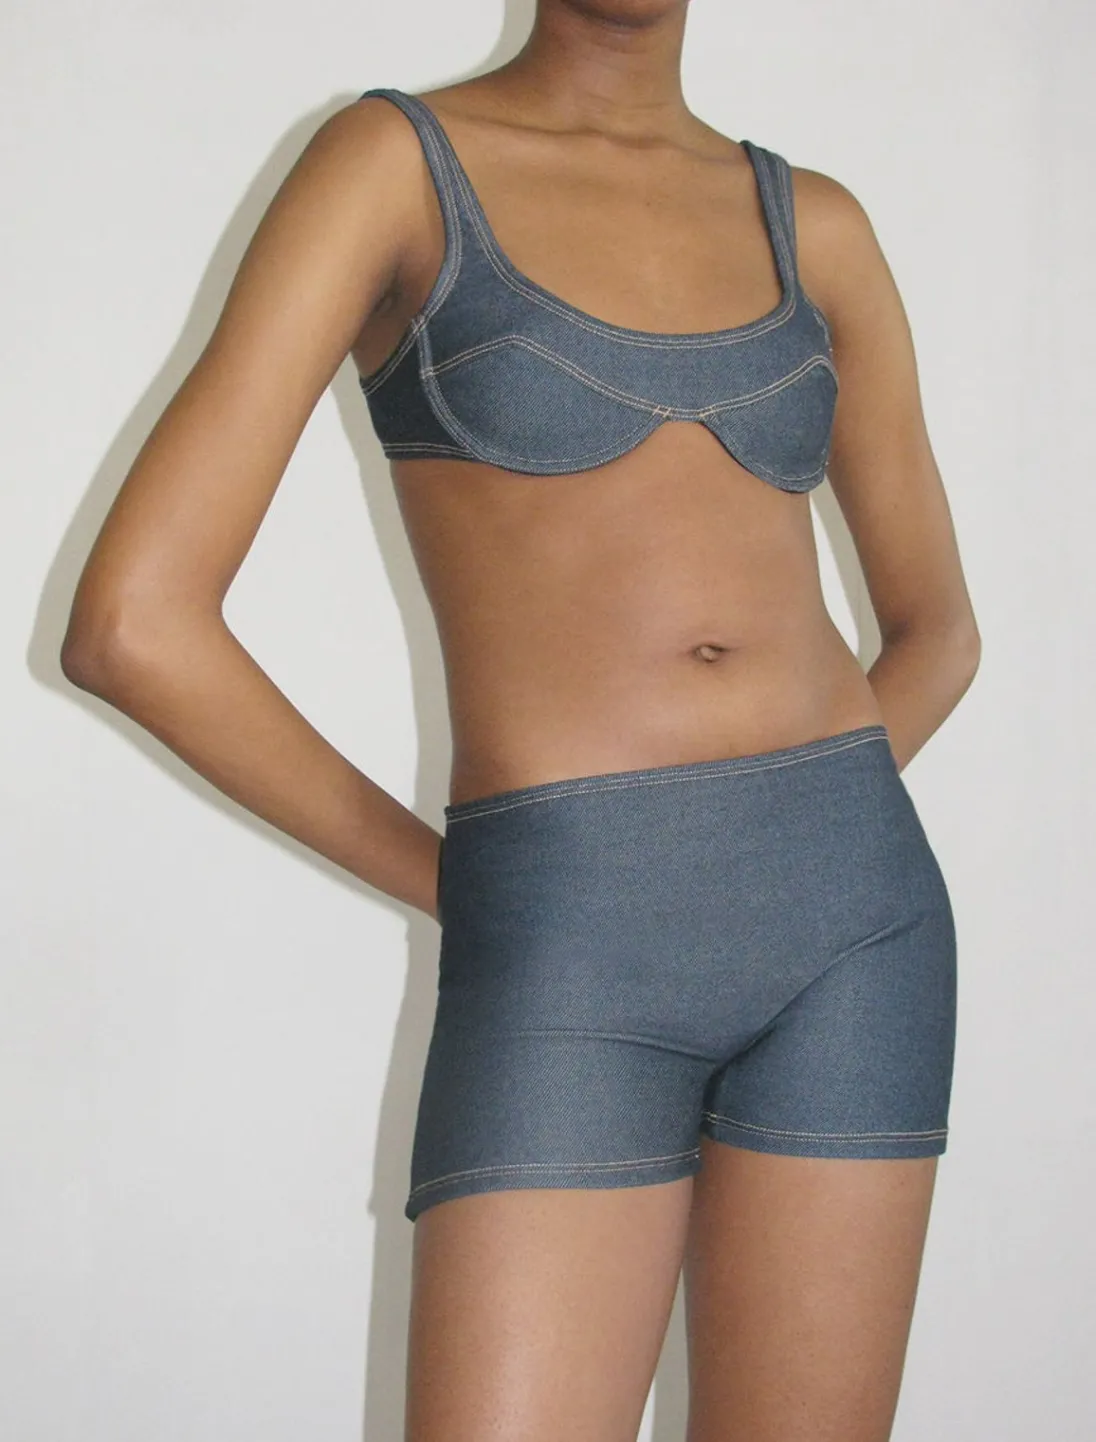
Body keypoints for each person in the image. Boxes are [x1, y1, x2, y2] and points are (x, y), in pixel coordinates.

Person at [60, 1, 981, 1437]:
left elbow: (941, 632)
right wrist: (474, 881)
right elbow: (135, 624)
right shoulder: (393, 167)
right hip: (568, 935)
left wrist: (793, 823)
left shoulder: (821, 226)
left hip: (856, 931)